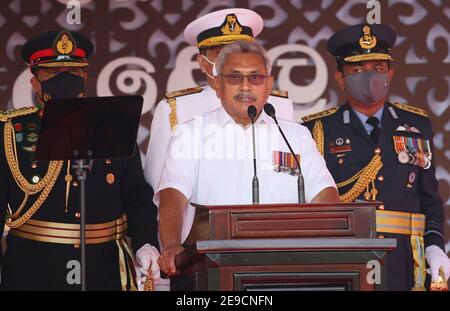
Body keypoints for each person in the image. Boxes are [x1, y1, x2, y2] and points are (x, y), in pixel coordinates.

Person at [155, 40, 340, 276]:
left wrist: (335, 242)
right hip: (212, 271)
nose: (245, 86)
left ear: (268, 84)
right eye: (234, 77)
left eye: (255, 77)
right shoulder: (190, 133)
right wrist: (171, 245)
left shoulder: (294, 136)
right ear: (219, 85)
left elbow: (325, 194)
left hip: (287, 268)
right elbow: (172, 195)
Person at [0, 30, 160, 290]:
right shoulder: (11, 132)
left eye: (73, 73)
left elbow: (136, 195)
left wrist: (146, 243)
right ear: (35, 82)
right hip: (33, 271)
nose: (65, 80)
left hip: (104, 268)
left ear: (85, 76)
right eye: (53, 74)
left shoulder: (113, 125)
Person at [302, 23, 450, 291]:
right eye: (357, 70)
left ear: (390, 73)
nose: (369, 77)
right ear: (340, 78)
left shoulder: (416, 124)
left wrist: (435, 248)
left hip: (405, 260)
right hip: (346, 257)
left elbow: (430, 200)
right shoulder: (318, 129)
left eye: (378, 69)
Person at [143, 7, 294, 194]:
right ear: (202, 61)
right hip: (203, 219)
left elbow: (289, 173)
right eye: (220, 53)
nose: (231, 62)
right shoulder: (176, 109)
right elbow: (156, 186)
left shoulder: (277, 105)